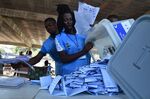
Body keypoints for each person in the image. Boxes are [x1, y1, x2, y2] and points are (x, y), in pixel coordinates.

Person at [55, 4, 93, 75]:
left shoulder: (82, 35)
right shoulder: (59, 38)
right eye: (65, 20)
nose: (69, 22)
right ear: (62, 21)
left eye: (70, 19)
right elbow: (64, 59)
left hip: (85, 74)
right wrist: (84, 51)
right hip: (69, 75)